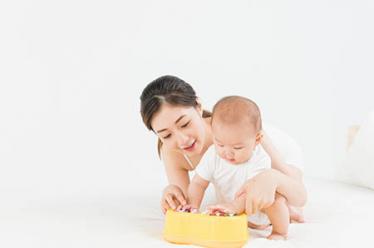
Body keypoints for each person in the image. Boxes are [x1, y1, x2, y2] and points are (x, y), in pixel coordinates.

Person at [139, 75, 307, 222]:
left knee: (277, 194)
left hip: (271, 147)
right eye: (166, 135)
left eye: (185, 124)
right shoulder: (171, 151)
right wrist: (172, 194)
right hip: (242, 171)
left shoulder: (238, 133)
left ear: (198, 106)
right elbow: (188, 204)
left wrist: (272, 178)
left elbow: (299, 195)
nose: (182, 140)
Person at [182, 96, 289, 240]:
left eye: (237, 147)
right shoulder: (213, 154)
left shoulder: (260, 159)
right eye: (220, 144)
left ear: (257, 139)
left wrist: (234, 206)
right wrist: (193, 206)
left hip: (260, 210)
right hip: (233, 212)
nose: (227, 152)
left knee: (277, 202)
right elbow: (198, 183)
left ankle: (280, 231)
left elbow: (251, 191)